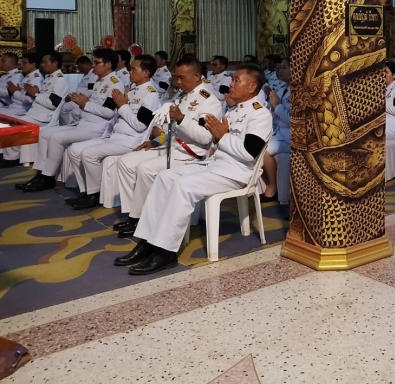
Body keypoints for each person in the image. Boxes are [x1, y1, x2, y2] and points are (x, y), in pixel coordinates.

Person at [113, 63, 272, 275]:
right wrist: (220, 139)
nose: (231, 84)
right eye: (232, 79)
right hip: (217, 166)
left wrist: (222, 137)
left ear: (252, 87)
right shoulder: (235, 110)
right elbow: (218, 142)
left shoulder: (260, 114)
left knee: (182, 185)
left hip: (236, 172)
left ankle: (165, 251)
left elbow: (249, 153)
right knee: (164, 178)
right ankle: (147, 242)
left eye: (236, 80)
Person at [112, 56, 224, 238]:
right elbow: (169, 126)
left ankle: (142, 220)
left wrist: (181, 118)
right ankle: (135, 214)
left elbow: (205, 137)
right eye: (176, 77)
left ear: (197, 76)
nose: (178, 82)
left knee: (145, 169)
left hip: (188, 155)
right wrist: (157, 140)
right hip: (169, 147)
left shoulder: (208, 100)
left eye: (182, 78)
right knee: (125, 162)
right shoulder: (182, 95)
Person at [63, 55, 162, 210]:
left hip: (131, 140)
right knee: (74, 150)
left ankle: (94, 194)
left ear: (145, 73)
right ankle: (87, 190)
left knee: (88, 154)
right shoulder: (133, 90)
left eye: (134, 69)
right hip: (116, 136)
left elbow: (139, 125)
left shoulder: (150, 94)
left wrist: (122, 106)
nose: (130, 72)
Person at [20, 49, 125, 193]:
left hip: (97, 128)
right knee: (45, 133)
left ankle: (47, 177)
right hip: (84, 123)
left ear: (108, 65)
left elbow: (108, 112)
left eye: (97, 62)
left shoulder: (115, 84)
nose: (93, 65)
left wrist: (85, 103)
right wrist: (83, 102)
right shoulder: (100, 81)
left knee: (56, 138)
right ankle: (40, 173)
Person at [0, 53, 69, 169]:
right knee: (11, 122)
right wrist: (33, 94)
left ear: (55, 63)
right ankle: (8, 156)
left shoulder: (59, 80)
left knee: (13, 125)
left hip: (44, 117)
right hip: (35, 113)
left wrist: (35, 94)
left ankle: (11, 158)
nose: (42, 65)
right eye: (42, 62)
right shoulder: (50, 78)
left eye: (45, 62)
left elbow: (53, 104)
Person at [260, 58, 290, 202]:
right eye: (279, 68)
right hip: (279, 133)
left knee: (264, 151)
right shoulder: (282, 89)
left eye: (284, 67)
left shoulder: (300, 91)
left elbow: (294, 120)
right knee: (255, 148)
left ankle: (272, 188)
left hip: (292, 136)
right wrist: (273, 109)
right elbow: (275, 116)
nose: (280, 70)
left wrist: (277, 106)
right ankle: (269, 184)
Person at [61, 56, 97, 125]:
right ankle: (69, 125)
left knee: (65, 109)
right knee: (64, 108)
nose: (80, 70)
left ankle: (69, 126)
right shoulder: (86, 75)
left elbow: (90, 91)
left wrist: (76, 98)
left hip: (83, 99)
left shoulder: (93, 75)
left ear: (87, 64)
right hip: (78, 97)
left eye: (81, 67)